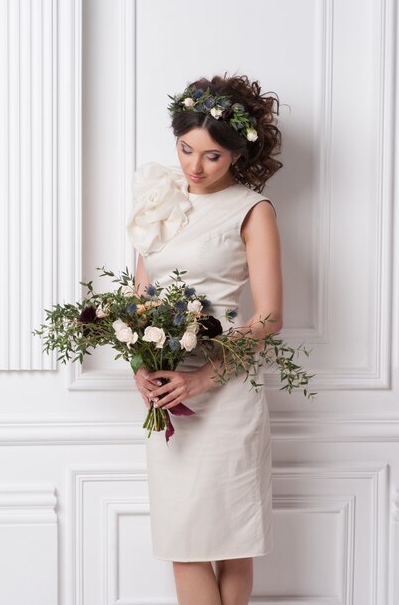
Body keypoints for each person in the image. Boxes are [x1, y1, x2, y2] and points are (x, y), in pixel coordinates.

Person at [127, 73, 283, 605]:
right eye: (186, 148)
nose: (193, 166)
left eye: (212, 156)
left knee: (232, 541)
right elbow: (138, 300)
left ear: (238, 155)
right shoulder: (159, 199)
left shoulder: (252, 209)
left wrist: (201, 381)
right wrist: (141, 370)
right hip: (168, 394)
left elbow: (269, 317)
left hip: (226, 391)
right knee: (185, 541)